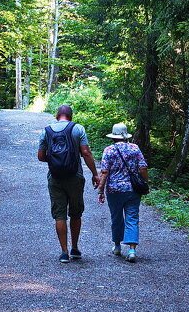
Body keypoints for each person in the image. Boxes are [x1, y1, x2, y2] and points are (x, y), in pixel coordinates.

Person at [37, 104, 99, 263]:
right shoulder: (78, 129)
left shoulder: (46, 130)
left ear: (57, 116)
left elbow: (41, 156)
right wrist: (94, 173)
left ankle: (64, 252)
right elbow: (85, 152)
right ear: (71, 117)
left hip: (55, 177)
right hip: (75, 176)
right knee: (76, 212)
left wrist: (56, 159)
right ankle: (75, 248)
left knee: (59, 214)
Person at [97, 122, 148, 262]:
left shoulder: (109, 150)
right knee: (132, 217)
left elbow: (105, 172)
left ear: (113, 136)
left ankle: (117, 246)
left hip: (114, 190)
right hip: (133, 189)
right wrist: (145, 183)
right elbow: (143, 168)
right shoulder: (134, 148)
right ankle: (132, 250)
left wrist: (100, 190)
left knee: (116, 218)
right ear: (125, 136)